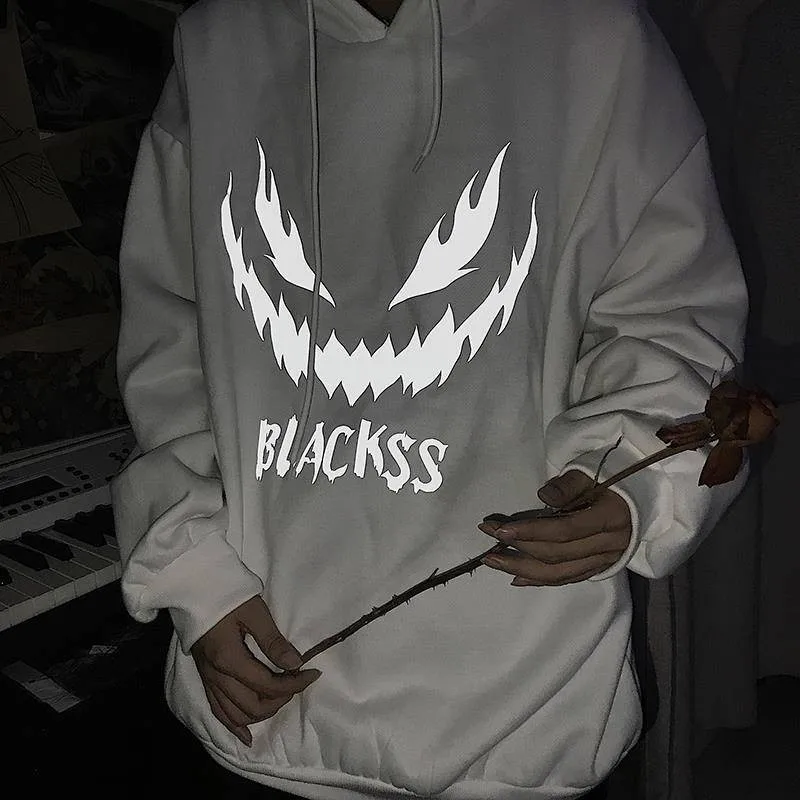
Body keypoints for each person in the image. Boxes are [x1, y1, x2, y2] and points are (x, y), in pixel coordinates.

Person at [110, 0, 749, 798]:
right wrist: (192, 570)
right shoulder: (218, 43)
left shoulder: (598, 39)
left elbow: (671, 313)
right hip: (263, 695)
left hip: (528, 704)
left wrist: (636, 484)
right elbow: (169, 341)